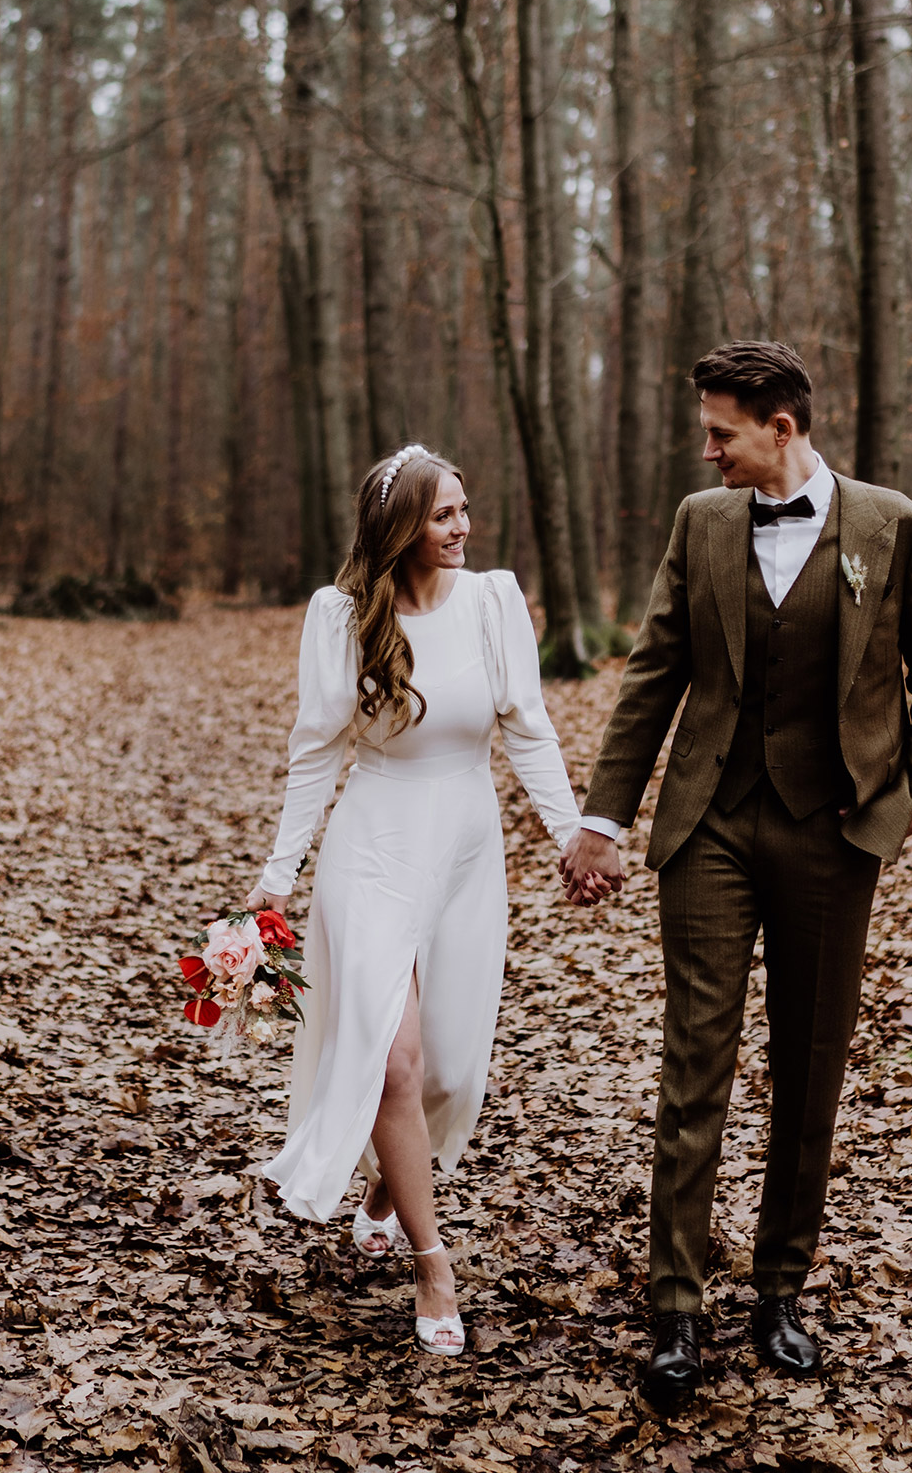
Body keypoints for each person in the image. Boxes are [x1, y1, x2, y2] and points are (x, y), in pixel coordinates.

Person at [560, 342, 912, 1400]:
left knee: (810, 1063)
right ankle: (677, 1307)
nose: (708, 449)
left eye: (722, 432)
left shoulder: (895, 527)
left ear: (781, 427)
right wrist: (604, 818)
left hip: (832, 838)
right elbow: (654, 673)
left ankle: (780, 1289)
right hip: (709, 825)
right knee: (694, 1061)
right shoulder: (701, 524)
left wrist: (908, 804)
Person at [246, 445, 582, 1357]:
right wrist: (279, 872)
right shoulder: (342, 615)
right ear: (400, 529)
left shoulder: (492, 601)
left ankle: (393, 1184)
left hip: (469, 847)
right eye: (443, 516)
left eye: (465, 510)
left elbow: (530, 729)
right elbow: (316, 750)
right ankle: (434, 1268)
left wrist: (572, 834)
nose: (462, 527)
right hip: (375, 846)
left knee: (448, 1074)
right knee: (394, 1061)